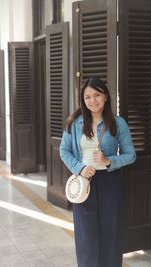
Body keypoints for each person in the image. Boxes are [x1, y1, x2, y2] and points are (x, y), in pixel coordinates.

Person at [59, 77, 136, 267]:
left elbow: (131, 155)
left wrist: (108, 161)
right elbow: (64, 150)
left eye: (97, 95)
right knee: (86, 238)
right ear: (83, 100)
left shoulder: (118, 123)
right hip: (85, 184)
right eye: (87, 97)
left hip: (110, 182)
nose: (93, 100)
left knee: (111, 234)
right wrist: (80, 168)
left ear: (106, 97)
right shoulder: (74, 123)